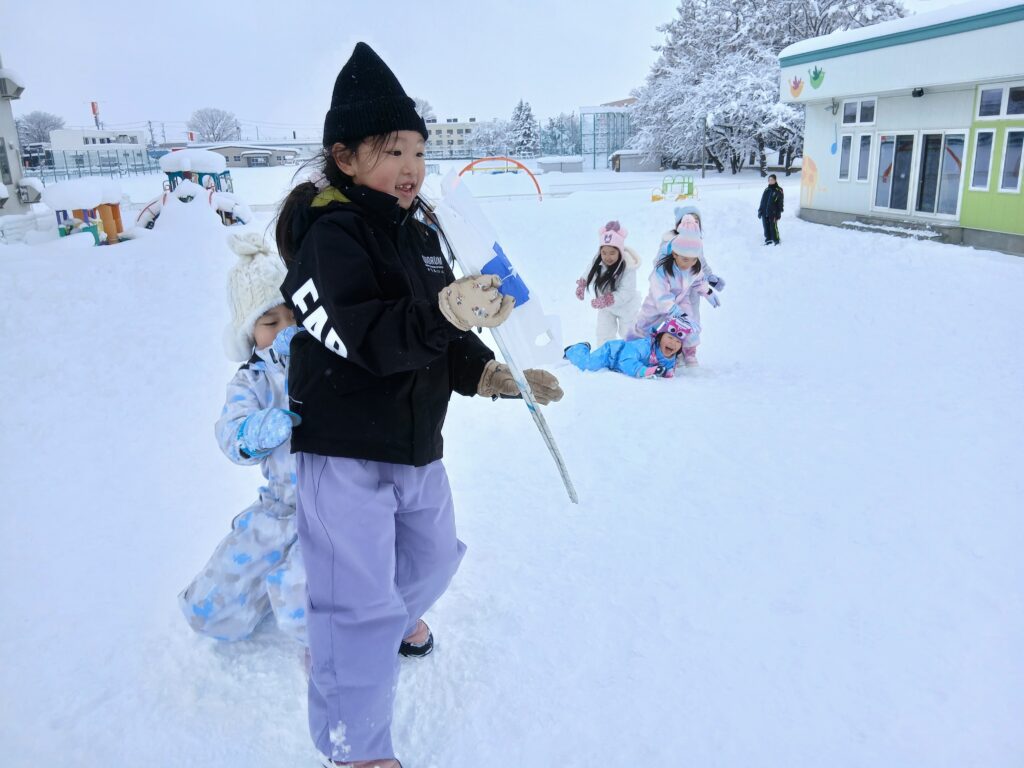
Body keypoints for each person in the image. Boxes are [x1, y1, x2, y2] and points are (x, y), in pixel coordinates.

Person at [274, 42, 563, 768]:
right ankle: (357, 745)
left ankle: (348, 648)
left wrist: (488, 371)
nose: (411, 166)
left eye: (419, 151)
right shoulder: (330, 237)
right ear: (345, 158)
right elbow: (371, 336)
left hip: (415, 441)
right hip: (344, 447)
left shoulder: (423, 232)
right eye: (392, 150)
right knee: (358, 602)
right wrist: (444, 311)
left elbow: (442, 330)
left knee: (435, 558)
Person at [178, 232, 306, 645]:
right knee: (209, 610)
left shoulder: (328, 359)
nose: (286, 328)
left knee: (303, 597)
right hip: (279, 507)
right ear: (250, 333)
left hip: (333, 509)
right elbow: (231, 432)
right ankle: (254, 591)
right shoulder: (250, 381)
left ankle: (339, 636)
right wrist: (258, 429)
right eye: (270, 322)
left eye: (293, 315)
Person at [628, 231, 719, 367]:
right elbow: (661, 297)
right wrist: (678, 313)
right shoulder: (661, 271)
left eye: (694, 259)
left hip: (681, 301)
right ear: (675, 254)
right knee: (644, 326)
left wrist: (708, 292)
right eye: (685, 259)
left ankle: (685, 353)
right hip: (656, 304)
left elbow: (699, 281)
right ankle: (634, 351)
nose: (690, 264)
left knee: (689, 325)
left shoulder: (693, 267)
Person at [574, 220, 641, 345]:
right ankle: (605, 351)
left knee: (629, 333)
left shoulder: (628, 267)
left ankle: (634, 350)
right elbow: (590, 272)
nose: (607, 257)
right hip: (606, 307)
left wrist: (607, 300)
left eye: (612, 253)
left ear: (619, 251)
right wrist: (583, 284)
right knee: (604, 332)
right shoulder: (599, 260)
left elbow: (627, 292)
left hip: (626, 307)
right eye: (604, 253)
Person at [564, 316, 691, 379]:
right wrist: (644, 371)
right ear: (660, 337)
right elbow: (626, 359)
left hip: (617, 364)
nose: (673, 343)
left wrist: (665, 373)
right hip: (612, 354)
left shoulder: (670, 357)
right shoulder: (645, 346)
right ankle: (577, 348)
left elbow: (665, 370)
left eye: (678, 341)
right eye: (670, 337)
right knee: (587, 365)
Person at [757, 174, 785, 245]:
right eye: (769, 180)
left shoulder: (779, 190)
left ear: (775, 180)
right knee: (766, 226)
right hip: (764, 211)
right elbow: (762, 201)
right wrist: (760, 210)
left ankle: (776, 240)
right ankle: (768, 239)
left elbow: (780, 203)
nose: (770, 181)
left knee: (773, 227)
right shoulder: (766, 190)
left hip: (773, 212)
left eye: (772, 180)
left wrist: (778, 213)